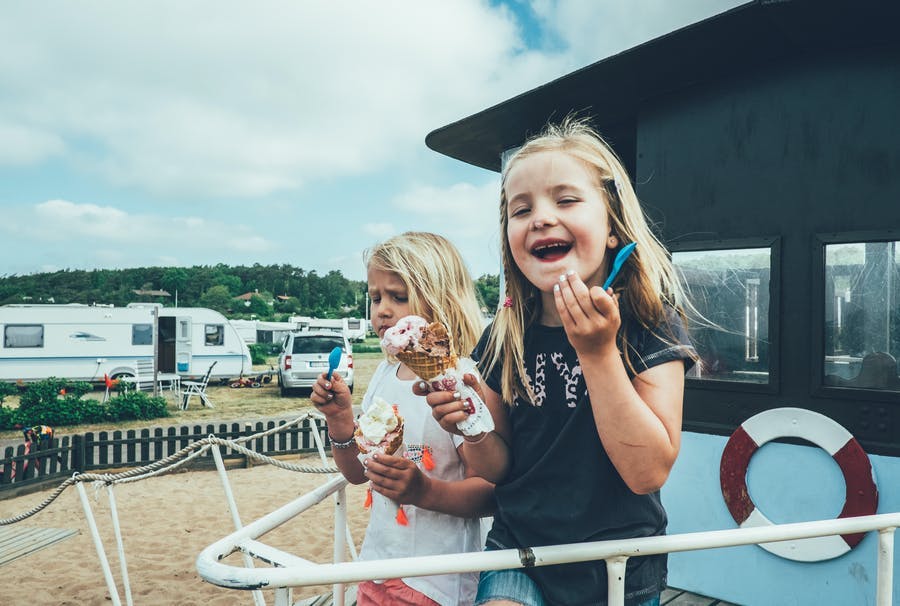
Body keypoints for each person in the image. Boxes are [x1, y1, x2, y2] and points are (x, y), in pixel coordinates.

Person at [421, 118, 698, 606]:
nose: (541, 218)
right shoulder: (503, 337)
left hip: (620, 562)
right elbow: (498, 469)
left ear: (613, 228)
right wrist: (471, 427)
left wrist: (596, 353)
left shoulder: (650, 323)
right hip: (518, 549)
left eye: (566, 200)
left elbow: (647, 472)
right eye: (520, 209)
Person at [311, 231, 494, 606]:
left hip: (437, 578)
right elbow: (358, 473)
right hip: (376, 564)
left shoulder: (461, 378)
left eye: (398, 296)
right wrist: (340, 420)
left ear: (441, 297)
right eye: (375, 297)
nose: (382, 310)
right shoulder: (384, 373)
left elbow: (489, 492)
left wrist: (422, 491)